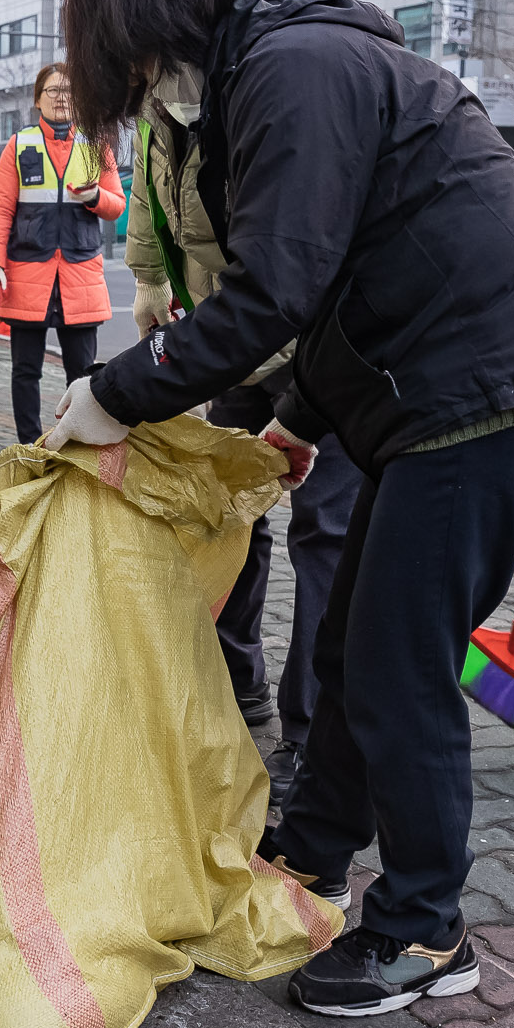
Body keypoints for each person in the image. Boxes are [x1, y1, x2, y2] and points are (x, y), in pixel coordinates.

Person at [41, 0, 514, 1018]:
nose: (135, 85)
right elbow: (348, 279)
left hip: (485, 390)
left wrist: (113, 390)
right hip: (441, 385)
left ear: (135, 16)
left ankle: (425, 929)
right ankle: (308, 852)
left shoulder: (291, 72)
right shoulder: (271, 71)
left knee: (398, 662)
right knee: (353, 643)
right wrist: (299, 416)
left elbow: (275, 289)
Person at [128, 67, 361, 777]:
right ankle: (233, 679)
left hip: (320, 344)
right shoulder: (153, 99)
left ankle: (311, 740)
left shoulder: (268, 84)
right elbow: (151, 183)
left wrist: (122, 390)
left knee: (324, 534)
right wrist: (148, 274)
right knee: (228, 510)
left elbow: (296, 241)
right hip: (234, 338)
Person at [0, 64, 125, 442]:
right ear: (36, 99)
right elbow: (0, 210)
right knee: (25, 370)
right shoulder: (19, 145)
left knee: (82, 372)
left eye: (69, 91)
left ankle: (76, 444)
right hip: (28, 274)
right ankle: (29, 445)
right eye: (53, 91)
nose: (62, 98)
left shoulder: (95, 144)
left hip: (80, 275)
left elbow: (116, 204)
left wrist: (95, 196)